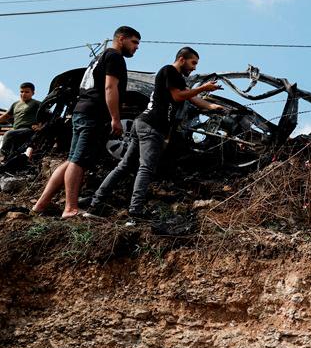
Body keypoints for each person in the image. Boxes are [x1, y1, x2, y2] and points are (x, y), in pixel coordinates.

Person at [88, 47, 223, 218]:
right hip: (152, 126)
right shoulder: (169, 71)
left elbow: (191, 98)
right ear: (182, 59)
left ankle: (95, 204)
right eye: (193, 62)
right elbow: (178, 97)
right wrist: (203, 88)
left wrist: (213, 107)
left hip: (143, 124)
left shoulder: (177, 78)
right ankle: (135, 213)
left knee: (124, 166)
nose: (195, 67)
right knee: (145, 169)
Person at [32, 26, 141, 218]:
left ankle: (41, 204)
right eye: (134, 42)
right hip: (93, 115)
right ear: (121, 39)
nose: (137, 47)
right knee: (79, 161)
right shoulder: (115, 57)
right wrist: (116, 118)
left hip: (81, 112)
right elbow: (110, 87)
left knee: (72, 159)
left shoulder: (98, 58)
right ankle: (70, 208)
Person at [0, 82, 41, 161]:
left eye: (27, 92)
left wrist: (40, 126)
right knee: (13, 153)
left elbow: (48, 115)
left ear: (33, 93)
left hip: (28, 130)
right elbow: (6, 116)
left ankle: (2, 156)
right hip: (16, 131)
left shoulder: (36, 103)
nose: (23, 94)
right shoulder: (15, 104)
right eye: (21, 92)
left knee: (8, 134)